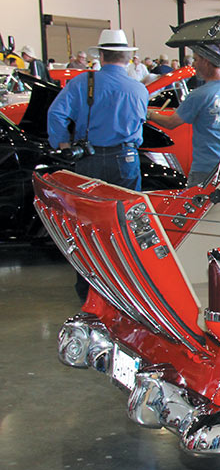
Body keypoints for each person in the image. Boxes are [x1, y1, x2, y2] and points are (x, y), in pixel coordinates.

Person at [47, 29, 149, 299]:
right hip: (125, 159)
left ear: (101, 55)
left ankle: (88, 288)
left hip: (88, 159)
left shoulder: (82, 83)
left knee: (86, 224)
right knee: (125, 223)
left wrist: (64, 145)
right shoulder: (138, 89)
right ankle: (125, 286)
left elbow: (56, 114)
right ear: (127, 58)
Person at [147, 52, 220, 186]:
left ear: (206, 62)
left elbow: (171, 123)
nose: (194, 64)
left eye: (196, 60)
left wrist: (149, 114)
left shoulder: (199, 95)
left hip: (207, 170)